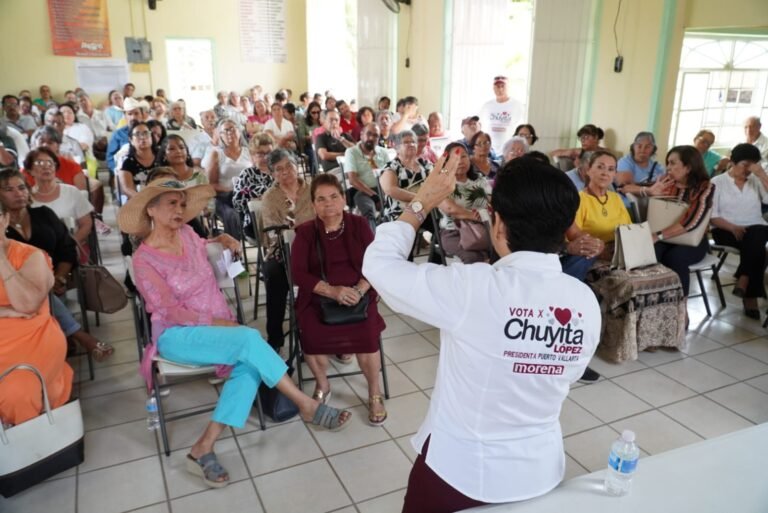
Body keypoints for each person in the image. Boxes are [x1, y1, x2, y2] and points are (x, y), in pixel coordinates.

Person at [363, 153, 600, 512]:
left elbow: (379, 266)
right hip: (539, 476)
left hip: (462, 474)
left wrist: (421, 201)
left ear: (499, 224)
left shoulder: (474, 289)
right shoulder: (583, 302)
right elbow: (568, 371)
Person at [120, 178, 351, 489]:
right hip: (177, 334)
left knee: (248, 361)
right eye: (171, 203)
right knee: (248, 339)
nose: (180, 209)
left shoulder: (188, 234)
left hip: (214, 326)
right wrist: (220, 324)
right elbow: (171, 311)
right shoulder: (144, 259)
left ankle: (204, 446)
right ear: (151, 209)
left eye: (182, 202)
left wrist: (222, 239)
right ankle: (305, 405)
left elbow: (204, 246)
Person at [290, 174, 387, 424]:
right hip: (320, 296)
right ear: (313, 205)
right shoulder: (305, 233)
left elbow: (376, 263)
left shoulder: (358, 225)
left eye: (334, 197)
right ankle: (323, 384)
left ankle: (374, 391)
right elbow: (298, 272)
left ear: (344, 198)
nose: (328, 204)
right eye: (321, 199)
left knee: (366, 334)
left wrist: (359, 290)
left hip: (359, 293)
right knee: (310, 331)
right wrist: (332, 291)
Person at [0, 220, 74, 427]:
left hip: (30, 343)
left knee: (17, 391)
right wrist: (6, 310)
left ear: (4, 220)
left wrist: (0, 258)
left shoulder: (29, 255)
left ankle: (28, 447)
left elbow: (27, 305)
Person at [259, 149, 314, 352]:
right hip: (283, 250)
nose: (285, 172)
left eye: (289, 166)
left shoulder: (313, 189)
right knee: (273, 274)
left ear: (296, 165)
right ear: (273, 173)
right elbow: (273, 233)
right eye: (279, 169)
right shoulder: (270, 198)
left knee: (336, 268)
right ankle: (275, 337)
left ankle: (331, 332)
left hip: (316, 247)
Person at [646, 145, 714, 304]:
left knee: (675, 258)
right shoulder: (665, 182)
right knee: (649, 255)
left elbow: (692, 222)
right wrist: (652, 191)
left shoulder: (705, 187)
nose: (668, 167)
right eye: (667, 163)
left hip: (692, 240)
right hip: (662, 238)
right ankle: (654, 306)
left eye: (672, 163)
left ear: (688, 167)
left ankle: (681, 308)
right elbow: (632, 188)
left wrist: (658, 235)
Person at [710, 143, 768, 319]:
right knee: (761, 251)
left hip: (754, 230)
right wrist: (733, 227)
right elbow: (712, 216)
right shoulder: (717, 182)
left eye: (753, 165)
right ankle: (750, 295)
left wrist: (762, 174)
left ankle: (744, 278)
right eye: (745, 164)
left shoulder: (756, 181)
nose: (748, 169)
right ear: (733, 162)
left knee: (759, 232)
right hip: (725, 229)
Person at [437, 142, 491, 263]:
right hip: (454, 232)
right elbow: (450, 209)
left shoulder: (480, 180)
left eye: (463, 156)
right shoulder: (442, 183)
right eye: (455, 158)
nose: (460, 161)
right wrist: (477, 216)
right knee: (472, 258)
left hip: (484, 229)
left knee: (503, 249)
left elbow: (493, 203)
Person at [202, 119, 251, 237]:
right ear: (221, 136)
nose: (229, 133)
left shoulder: (249, 152)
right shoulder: (216, 154)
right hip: (225, 198)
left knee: (257, 211)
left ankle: (257, 242)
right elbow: (211, 185)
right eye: (225, 131)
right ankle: (235, 249)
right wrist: (232, 189)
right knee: (232, 215)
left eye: (233, 129)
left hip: (246, 197)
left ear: (239, 132)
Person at [379, 130, 433, 223]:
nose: (411, 144)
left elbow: (438, 178)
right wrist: (419, 198)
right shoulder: (392, 167)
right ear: (397, 147)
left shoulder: (425, 164)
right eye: (406, 142)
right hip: (401, 212)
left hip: (426, 209)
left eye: (413, 142)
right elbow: (391, 190)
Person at [344, 123, 390, 231]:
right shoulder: (352, 152)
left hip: (383, 189)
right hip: (362, 190)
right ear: (361, 135)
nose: (372, 138)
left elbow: (389, 174)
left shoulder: (383, 152)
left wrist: (384, 193)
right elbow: (353, 180)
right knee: (368, 209)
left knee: (399, 205)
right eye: (369, 134)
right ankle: (372, 240)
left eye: (375, 136)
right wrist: (374, 195)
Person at [232, 133, 275, 237]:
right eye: (260, 154)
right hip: (255, 223)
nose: (265, 158)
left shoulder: (279, 172)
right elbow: (237, 202)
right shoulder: (247, 174)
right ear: (252, 156)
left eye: (269, 153)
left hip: (281, 217)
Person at [478, 76, 525, 154]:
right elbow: (481, 126)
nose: (500, 89)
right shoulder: (487, 106)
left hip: (510, 149)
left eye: (503, 86)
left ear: (508, 87)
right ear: (493, 88)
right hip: (490, 149)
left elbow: (521, 128)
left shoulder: (517, 105)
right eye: (497, 86)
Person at [119, 122, 157, 204]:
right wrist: (143, 200)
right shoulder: (127, 163)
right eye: (137, 134)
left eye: (146, 133)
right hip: (138, 202)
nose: (143, 137)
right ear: (131, 140)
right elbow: (127, 189)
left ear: (151, 137)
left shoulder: (162, 158)